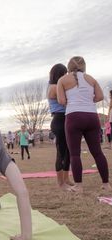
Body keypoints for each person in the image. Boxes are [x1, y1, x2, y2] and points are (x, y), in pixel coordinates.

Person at [57, 56, 111, 192]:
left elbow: (61, 101)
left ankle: (79, 185)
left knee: (75, 154)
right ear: (84, 66)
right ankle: (106, 184)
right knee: (97, 152)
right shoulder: (91, 79)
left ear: (69, 67)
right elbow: (99, 97)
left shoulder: (62, 80)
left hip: (74, 116)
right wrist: (87, 100)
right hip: (92, 116)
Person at [47, 63, 74, 191]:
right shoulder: (53, 87)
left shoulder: (57, 85)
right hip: (59, 119)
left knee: (68, 151)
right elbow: (65, 101)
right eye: (64, 73)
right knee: (61, 151)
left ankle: (66, 178)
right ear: (59, 74)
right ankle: (60, 182)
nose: (66, 76)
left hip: (65, 118)